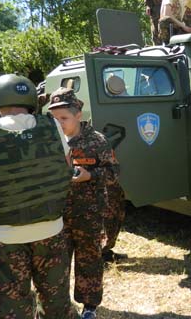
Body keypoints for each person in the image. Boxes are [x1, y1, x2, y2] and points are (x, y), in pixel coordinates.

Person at [0, 74, 77, 319]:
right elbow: (67, 167)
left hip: (6, 236)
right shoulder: (52, 125)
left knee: (10, 308)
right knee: (56, 303)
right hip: (51, 230)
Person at [48, 87, 120, 319]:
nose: (59, 123)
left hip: (88, 213)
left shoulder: (97, 141)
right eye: (54, 119)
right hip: (56, 214)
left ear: (78, 114)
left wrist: (91, 175)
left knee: (89, 259)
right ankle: (57, 306)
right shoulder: (48, 142)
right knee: (56, 263)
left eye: (64, 118)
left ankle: (89, 306)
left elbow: (114, 172)